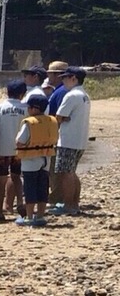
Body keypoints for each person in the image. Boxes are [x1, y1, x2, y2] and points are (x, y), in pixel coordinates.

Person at [48, 66, 92, 217]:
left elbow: (59, 117)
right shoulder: (84, 95)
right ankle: (74, 203)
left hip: (68, 140)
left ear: (74, 78)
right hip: (79, 140)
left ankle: (68, 205)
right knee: (71, 172)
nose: (63, 81)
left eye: (65, 78)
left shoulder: (71, 95)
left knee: (66, 173)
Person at [0, 78, 28, 221]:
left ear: (6, 92)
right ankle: (21, 203)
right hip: (20, 149)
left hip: (2, 149)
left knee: (1, 181)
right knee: (17, 177)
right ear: (23, 93)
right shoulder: (26, 108)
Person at [14, 93, 57, 226]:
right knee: (43, 188)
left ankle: (29, 216)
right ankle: (40, 216)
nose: (28, 110)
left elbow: (20, 141)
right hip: (46, 159)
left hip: (30, 160)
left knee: (30, 188)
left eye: (29, 107)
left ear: (34, 109)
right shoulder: (52, 121)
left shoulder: (29, 123)